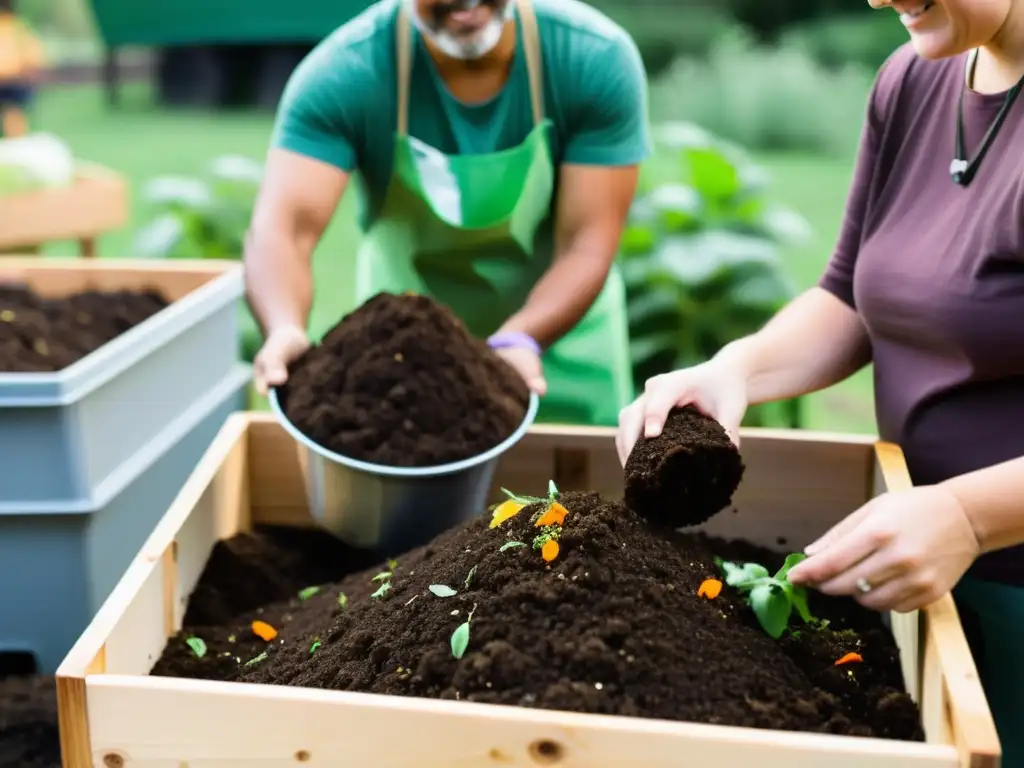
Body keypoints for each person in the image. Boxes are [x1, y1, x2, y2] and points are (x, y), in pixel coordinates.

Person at [617, 0, 1024, 762]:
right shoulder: (914, 79)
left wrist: (969, 518)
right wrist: (734, 369)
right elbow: (850, 297)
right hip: (915, 564)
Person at [244, 0, 651, 427]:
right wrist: (284, 325)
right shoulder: (347, 72)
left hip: (563, 350)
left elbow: (586, 245)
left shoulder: (591, 58)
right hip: (407, 363)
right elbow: (283, 229)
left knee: (581, 492)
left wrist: (522, 337)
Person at [0, 0, 44, 138]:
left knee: (13, 109)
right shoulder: (20, 27)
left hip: (13, 81)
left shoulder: (18, 28)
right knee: (14, 112)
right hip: (16, 80)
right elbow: (34, 58)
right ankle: (15, 136)